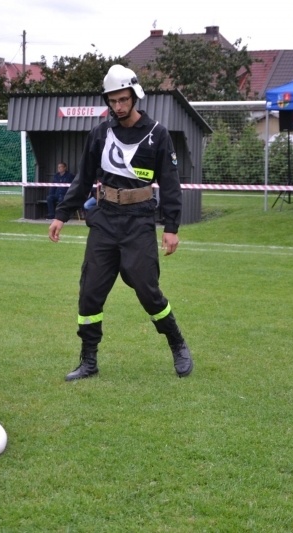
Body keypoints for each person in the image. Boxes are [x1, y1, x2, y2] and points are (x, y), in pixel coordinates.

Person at [48, 64, 193, 380]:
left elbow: (170, 184)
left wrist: (171, 228)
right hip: (104, 221)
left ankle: (177, 342)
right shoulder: (100, 134)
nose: (118, 106)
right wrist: (61, 214)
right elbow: (84, 178)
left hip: (139, 222)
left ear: (135, 96)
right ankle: (88, 361)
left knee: (146, 290)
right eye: (112, 101)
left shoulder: (158, 135)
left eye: (123, 100)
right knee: (90, 292)